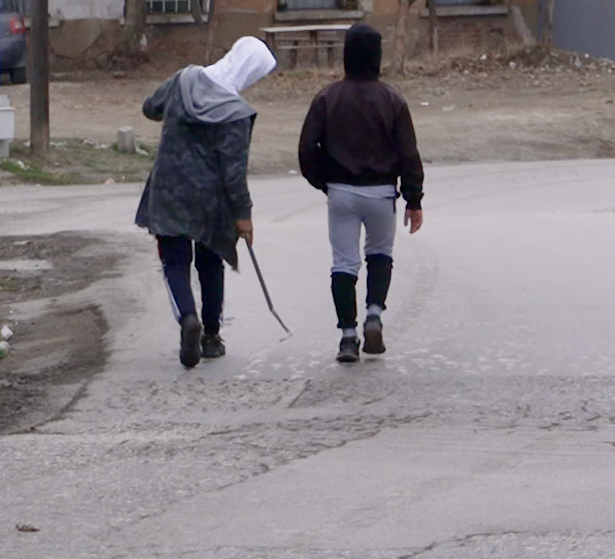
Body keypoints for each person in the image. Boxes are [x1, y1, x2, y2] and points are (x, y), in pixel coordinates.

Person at [138, 36, 272, 369]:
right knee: (211, 262)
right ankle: (211, 337)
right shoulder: (237, 113)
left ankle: (187, 319)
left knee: (174, 262)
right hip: (211, 201)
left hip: (169, 189)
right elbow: (234, 173)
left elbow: (150, 107)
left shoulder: (184, 79)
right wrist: (243, 215)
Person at [296, 22, 425, 363]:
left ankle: (348, 337)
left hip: (341, 191)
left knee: (344, 262)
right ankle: (374, 314)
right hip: (382, 192)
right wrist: (413, 199)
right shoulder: (393, 100)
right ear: (378, 56)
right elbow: (408, 152)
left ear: (346, 55)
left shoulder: (327, 97)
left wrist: (324, 181)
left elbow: (307, 147)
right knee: (380, 253)